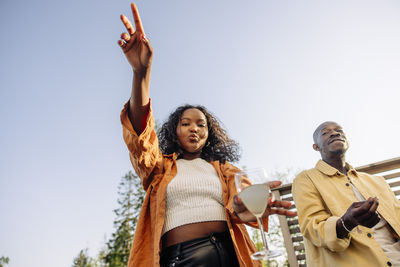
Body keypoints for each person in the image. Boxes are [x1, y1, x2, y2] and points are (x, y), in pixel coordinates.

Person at [117, 3, 296, 267]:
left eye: (201, 124)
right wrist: (140, 73)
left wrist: (251, 207)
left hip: (233, 255)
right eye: (186, 123)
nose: (194, 128)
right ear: (174, 131)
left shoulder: (225, 170)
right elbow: (141, 138)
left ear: (209, 133)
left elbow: (241, 204)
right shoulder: (160, 168)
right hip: (182, 258)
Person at [292, 121, 400, 267]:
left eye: (339, 131)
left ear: (347, 141)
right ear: (316, 147)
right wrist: (347, 222)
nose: (335, 133)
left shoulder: (377, 181)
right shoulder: (305, 179)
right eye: (325, 132)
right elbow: (312, 228)